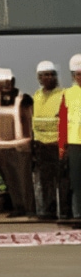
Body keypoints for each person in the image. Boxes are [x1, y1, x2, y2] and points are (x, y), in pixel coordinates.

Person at [0, 69, 34, 217]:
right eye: (4, 82)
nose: (7, 85)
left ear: (14, 81)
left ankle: (30, 209)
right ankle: (18, 207)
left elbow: (30, 120)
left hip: (21, 147)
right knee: (11, 181)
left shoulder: (24, 98)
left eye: (9, 81)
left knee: (24, 181)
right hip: (2, 148)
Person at [32, 61, 67, 219]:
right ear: (39, 78)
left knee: (62, 181)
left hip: (56, 144)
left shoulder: (62, 94)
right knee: (45, 181)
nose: (50, 78)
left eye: (52, 75)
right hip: (41, 145)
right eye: (46, 75)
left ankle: (66, 212)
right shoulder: (37, 96)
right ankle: (48, 210)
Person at [60, 54, 81, 219]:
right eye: (77, 74)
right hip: (75, 144)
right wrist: (62, 146)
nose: (80, 77)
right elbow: (62, 122)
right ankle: (78, 215)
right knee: (76, 182)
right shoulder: (68, 94)